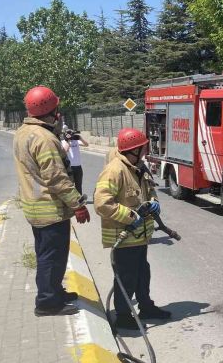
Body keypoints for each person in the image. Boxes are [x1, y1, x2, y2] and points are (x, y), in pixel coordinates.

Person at [13, 86, 91, 317]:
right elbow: (56, 177)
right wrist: (78, 204)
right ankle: (47, 302)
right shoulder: (45, 138)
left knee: (46, 254)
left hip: (34, 206)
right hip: (49, 209)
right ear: (52, 110)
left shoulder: (23, 132)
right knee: (52, 258)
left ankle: (54, 291)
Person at [93, 128, 171, 330]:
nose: (146, 151)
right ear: (134, 150)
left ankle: (146, 307)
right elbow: (101, 203)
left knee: (142, 273)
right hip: (124, 236)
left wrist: (153, 201)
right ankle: (124, 317)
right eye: (143, 148)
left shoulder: (138, 167)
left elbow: (148, 191)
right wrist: (130, 217)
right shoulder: (115, 170)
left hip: (139, 236)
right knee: (126, 278)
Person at [61, 124, 89, 194]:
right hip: (70, 167)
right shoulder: (63, 142)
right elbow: (65, 151)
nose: (71, 136)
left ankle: (80, 201)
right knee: (70, 186)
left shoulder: (76, 141)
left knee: (78, 185)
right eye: (70, 134)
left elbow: (86, 144)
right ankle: (72, 201)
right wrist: (68, 141)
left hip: (78, 167)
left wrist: (80, 138)